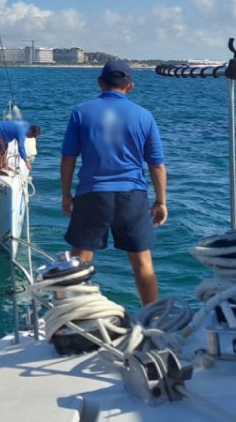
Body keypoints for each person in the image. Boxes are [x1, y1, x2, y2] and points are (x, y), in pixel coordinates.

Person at [60, 59, 167, 306]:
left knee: (80, 262)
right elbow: (157, 165)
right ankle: (155, 319)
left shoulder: (80, 112)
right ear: (130, 86)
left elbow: (68, 158)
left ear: (100, 83)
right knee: (142, 262)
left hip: (92, 194)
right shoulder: (145, 116)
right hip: (132, 195)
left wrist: (66, 194)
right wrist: (161, 201)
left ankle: (75, 316)